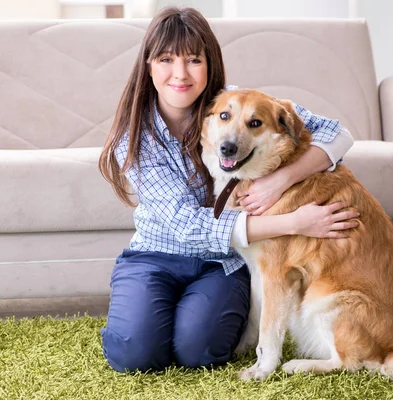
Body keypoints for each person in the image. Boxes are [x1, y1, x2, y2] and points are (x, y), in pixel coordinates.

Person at [98, 6, 357, 373]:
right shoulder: (135, 137)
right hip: (156, 256)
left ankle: (184, 317)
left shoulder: (238, 102)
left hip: (222, 262)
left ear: (211, 64)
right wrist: (295, 222)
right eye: (167, 59)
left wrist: (280, 180)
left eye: (193, 60)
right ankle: (144, 314)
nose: (180, 73)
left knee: (199, 351)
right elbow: (187, 225)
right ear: (148, 65)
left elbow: (338, 133)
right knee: (133, 355)